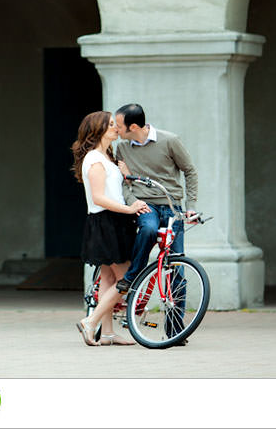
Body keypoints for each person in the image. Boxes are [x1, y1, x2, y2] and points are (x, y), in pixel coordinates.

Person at [72, 110, 148, 347]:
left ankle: (107, 334)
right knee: (128, 278)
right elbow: (99, 198)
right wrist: (129, 209)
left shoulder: (106, 158)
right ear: (98, 130)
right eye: (112, 125)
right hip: (107, 222)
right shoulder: (95, 159)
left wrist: (126, 175)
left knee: (107, 278)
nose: (117, 127)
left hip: (113, 222)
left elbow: (113, 191)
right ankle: (90, 321)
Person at [113, 103, 198, 297]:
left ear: (133, 127)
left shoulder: (170, 141)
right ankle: (132, 277)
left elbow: (190, 171)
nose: (116, 129)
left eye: (118, 125)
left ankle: (176, 326)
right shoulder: (122, 148)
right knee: (148, 229)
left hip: (171, 206)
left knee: (177, 268)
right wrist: (133, 201)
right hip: (145, 205)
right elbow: (124, 182)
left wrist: (190, 206)